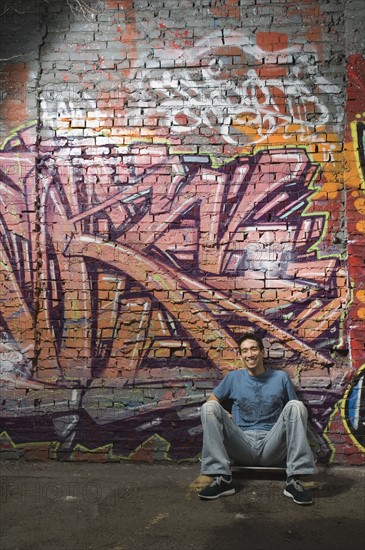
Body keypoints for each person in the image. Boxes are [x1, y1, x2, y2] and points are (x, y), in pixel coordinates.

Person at [198, 332, 316, 504]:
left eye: (253, 349)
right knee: (208, 408)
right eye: (244, 351)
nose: (249, 354)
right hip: (241, 444)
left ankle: (294, 480)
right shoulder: (233, 378)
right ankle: (222, 479)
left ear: (262, 352)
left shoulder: (280, 377)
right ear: (240, 355)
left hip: (272, 447)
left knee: (297, 406)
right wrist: (225, 414)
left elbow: (294, 412)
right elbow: (212, 401)